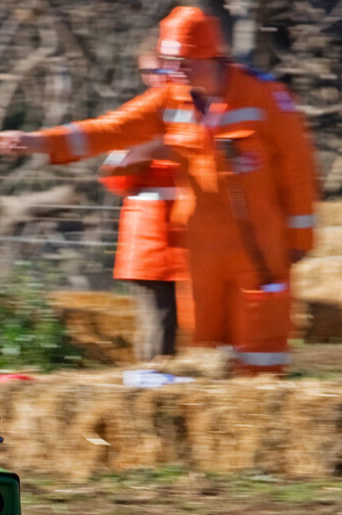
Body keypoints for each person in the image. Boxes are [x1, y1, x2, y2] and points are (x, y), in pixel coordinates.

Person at [0, 5, 317, 375]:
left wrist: (299, 237)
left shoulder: (266, 98)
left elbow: (298, 173)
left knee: (260, 357)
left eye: (180, 61)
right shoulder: (171, 98)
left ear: (208, 54)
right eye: (166, 61)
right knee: (208, 356)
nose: (171, 71)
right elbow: (110, 129)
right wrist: (36, 141)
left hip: (258, 250)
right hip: (200, 253)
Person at [97, 46, 191, 361]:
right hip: (151, 242)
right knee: (160, 322)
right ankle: (152, 386)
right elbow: (113, 178)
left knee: (188, 325)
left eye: (162, 68)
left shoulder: (199, 109)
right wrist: (149, 151)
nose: (156, 78)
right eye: (148, 71)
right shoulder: (138, 115)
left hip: (194, 240)